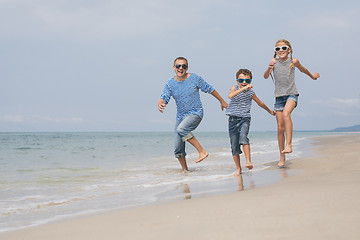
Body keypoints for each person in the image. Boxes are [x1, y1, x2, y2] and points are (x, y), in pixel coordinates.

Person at [158, 57, 228, 173]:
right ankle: (185, 172)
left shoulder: (195, 78)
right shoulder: (170, 83)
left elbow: (210, 89)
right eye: (178, 66)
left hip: (195, 113)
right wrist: (161, 102)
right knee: (177, 147)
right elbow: (164, 96)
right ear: (174, 67)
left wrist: (222, 101)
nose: (181, 68)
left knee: (181, 129)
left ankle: (202, 151)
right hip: (180, 117)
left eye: (184, 66)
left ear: (187, 68)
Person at [264, 39, 320, 167]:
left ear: (289, 49)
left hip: (292, 94)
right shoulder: (273, 62)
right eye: (277, 49)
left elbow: (303, 69)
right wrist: (269, 68)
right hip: (278, 97)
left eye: (284, 48)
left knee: (286, 114)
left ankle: (289, 144)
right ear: (275, 51)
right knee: (279, 128)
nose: (281, 51)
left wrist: (312, 76)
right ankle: (282, 157)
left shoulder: (293, 61)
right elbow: (266, 76)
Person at [227, 69, 275, 175]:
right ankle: (238, 168)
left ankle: (248, 161)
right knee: (234, 146)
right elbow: (230, 96)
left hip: (245, 118)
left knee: (243, 137)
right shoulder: (234, 88)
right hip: (232, 119)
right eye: (241, 80)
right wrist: (243, 88)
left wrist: (269, 111)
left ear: (251, 81)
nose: (244, 82)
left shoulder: (251, 92)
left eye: (247, 81)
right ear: (237, 80)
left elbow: (260, 103)